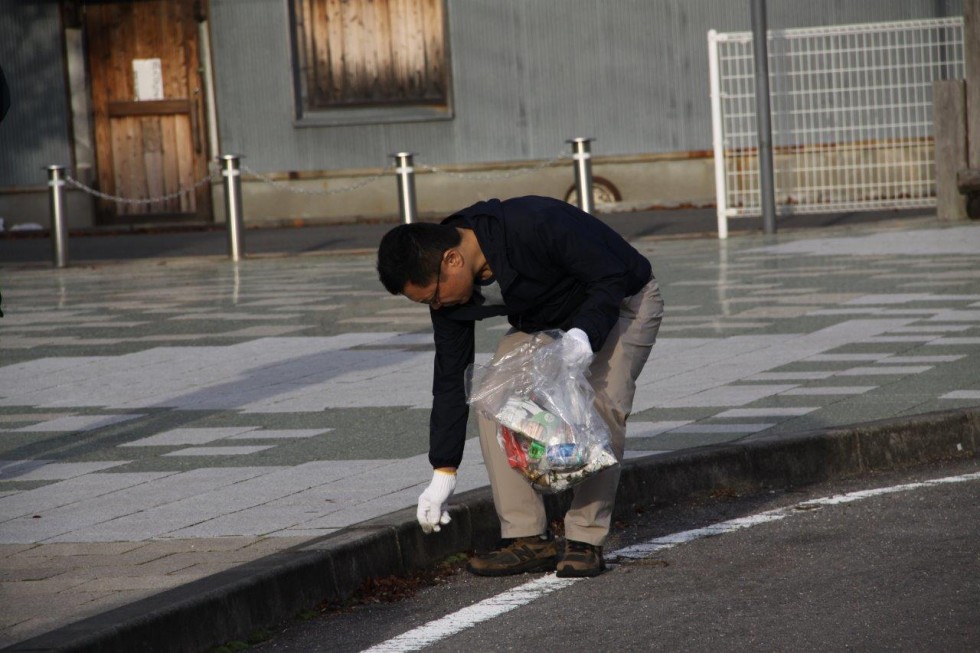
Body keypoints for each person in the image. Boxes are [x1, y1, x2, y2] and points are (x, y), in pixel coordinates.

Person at [376, 195, 663, 577]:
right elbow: (449, 378)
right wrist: (443, 471)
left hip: (623, 302)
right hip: (545, 319)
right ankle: (527, 537)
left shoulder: (535, 222)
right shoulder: (448, 295)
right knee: (491, 395)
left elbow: (608, 276)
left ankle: (585, 540)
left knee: (600, 406)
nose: (437, 307)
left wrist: (584, 336)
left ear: (452, 260)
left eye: (433, 296)